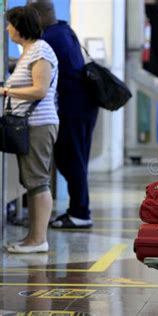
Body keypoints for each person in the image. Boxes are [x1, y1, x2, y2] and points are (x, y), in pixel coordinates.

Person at [29, 1, 99, 229]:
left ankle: (80, 212)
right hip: (84, 105)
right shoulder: (63, 29)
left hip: (73, 107)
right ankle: (78, 209)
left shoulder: (50, 39)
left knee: (71, 160)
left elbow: (38, 72)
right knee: (77, 159)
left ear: (38, 17)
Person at [1, 6, 59, 253]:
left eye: (10, 24)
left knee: (38, 181)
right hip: (32, 125)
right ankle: (32, 237)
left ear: (20, 27)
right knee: (32, 181)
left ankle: (39, 239)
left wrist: (6, 91)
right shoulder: (28, 51)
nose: (7, 29)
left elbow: (40, 90)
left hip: (39, 124)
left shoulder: (41, 50)